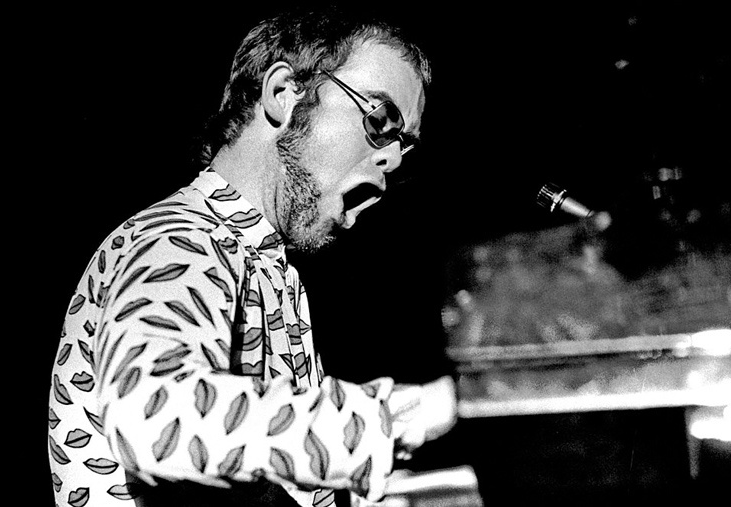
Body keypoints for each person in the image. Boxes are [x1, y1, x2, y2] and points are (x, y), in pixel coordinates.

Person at [48, 7, 456, 507]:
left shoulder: (260, 264)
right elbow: (149, 416)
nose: (391, 159)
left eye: (404, 146)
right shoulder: (178, 238)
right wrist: (394, 418)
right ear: (284, 94)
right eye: (380, 121)